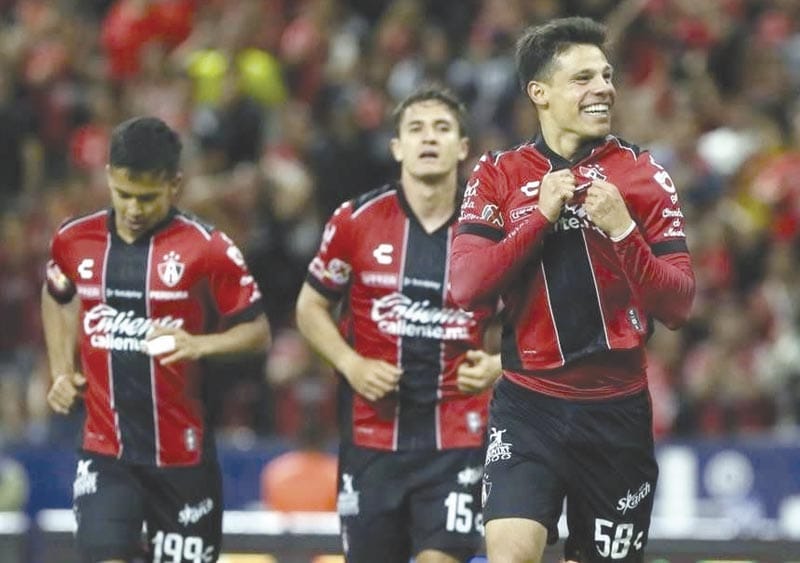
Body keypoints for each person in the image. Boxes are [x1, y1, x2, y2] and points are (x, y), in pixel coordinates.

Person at [448, 17, 696, 563]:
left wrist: (623, 231)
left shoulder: (643, 174)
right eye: (582, 78)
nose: (603, 88)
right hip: (529, 406)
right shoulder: (498, 174)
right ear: (540, 92)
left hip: (618, 411)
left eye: (606, 76)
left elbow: (678, 304)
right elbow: (466, 286)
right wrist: (536, 219)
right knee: (510, 556)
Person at [41, 116, 271, 563]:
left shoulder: (208, 248)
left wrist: (200, 344)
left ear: (175, 184)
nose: (133, 208)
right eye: (123, 194)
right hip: (106, 454)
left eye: (147, 197)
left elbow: (257, 332)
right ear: (108, 176)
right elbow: (57, 293)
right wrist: (60, 368)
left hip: (183, 461)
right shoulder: (74, 239)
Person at [295, 86, 501, 563]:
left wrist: (498, 365)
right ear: (397, 148)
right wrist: (350, 364)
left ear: (463, 147)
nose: (429, 138)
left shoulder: (494, 233)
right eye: (416, 129)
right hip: (372, 441)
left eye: (442, 128)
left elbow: (543, 322)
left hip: (458, 440)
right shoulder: (356, 221)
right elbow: (309, 306)